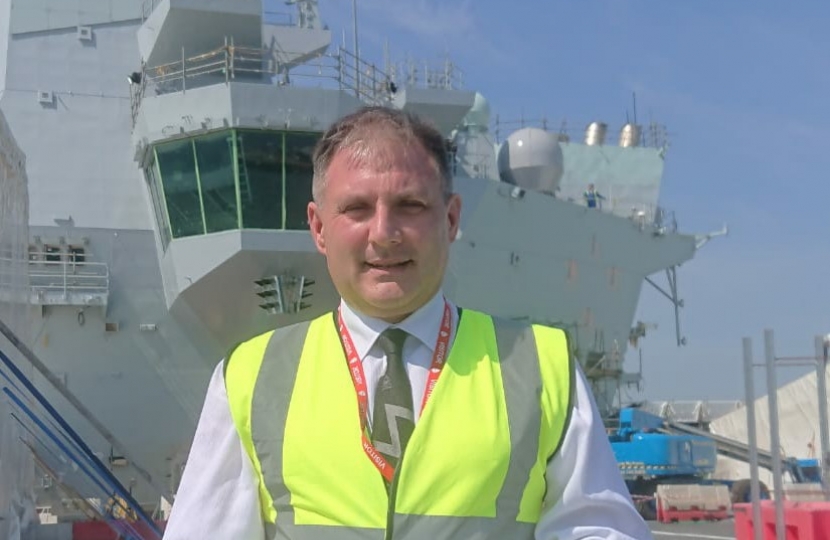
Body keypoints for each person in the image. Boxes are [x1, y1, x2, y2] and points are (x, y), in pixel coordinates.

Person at [162, 107, 652, 540]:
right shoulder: (249, 379)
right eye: (356, 208)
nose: (384, 234)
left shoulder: (544, 370)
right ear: (318, 228)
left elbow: (599, 530)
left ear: (452, 219)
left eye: (410, 206)